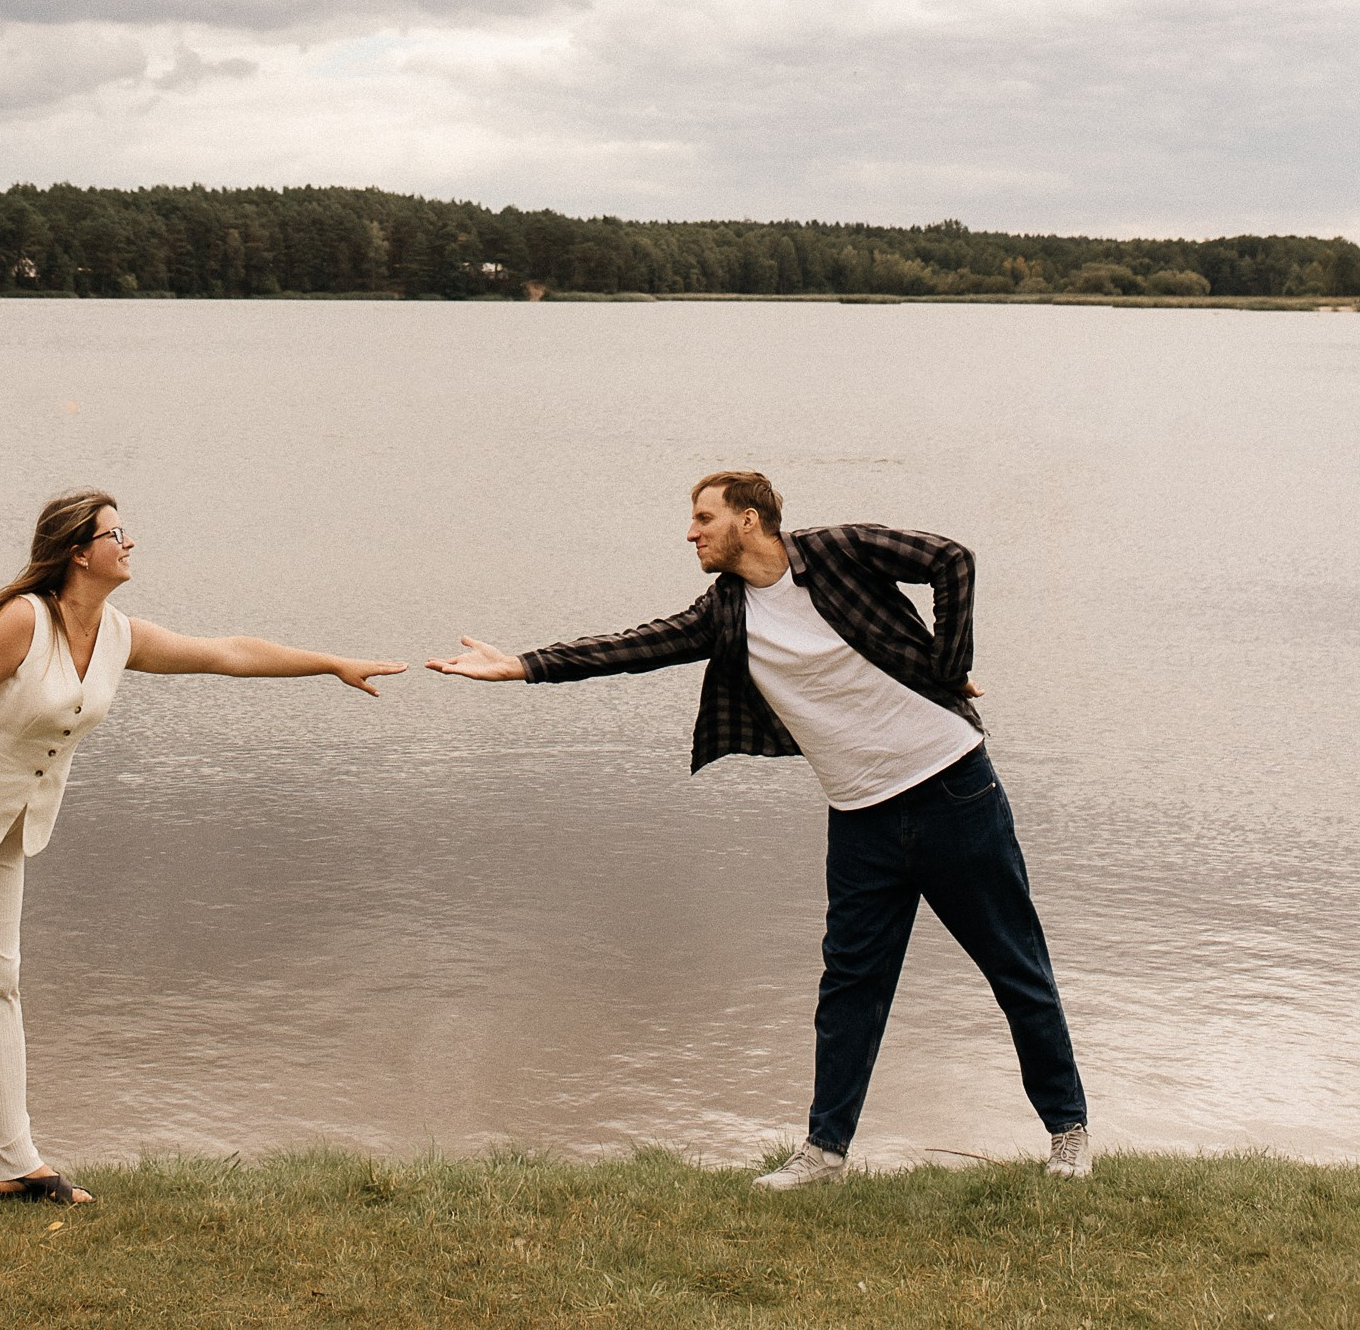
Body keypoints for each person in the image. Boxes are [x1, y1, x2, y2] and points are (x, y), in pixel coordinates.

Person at [428, 467, 1089, 1186]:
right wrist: (523, 665)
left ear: (748, 520)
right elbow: (633, 647)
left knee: (1014, 968)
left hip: (953, 792)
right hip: (859, 817)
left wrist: (948, 663)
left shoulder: (839, 552)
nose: (691, 533)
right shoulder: (726, 612)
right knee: (849, 988)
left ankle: (1069, 1136)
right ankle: (825, 1154)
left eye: (704, 519)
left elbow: (950, 560)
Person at [0, 486, 402, 1216]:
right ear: (77, 551)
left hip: (5, 830)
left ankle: (16, 1164)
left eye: (126, 532)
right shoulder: (22, 623)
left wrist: (332, 663)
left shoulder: (117, 634)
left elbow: (226, 653)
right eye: (115, 533)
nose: (129, 544)